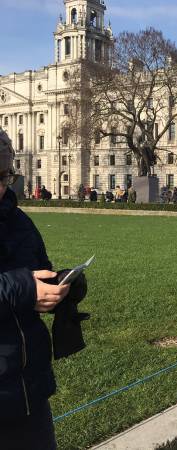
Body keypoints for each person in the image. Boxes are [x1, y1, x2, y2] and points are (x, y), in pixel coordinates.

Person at [0, 129, 72, 450]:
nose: (1, 188)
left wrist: (60, 286)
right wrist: (25, 289)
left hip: (29, 390)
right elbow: (24, 287)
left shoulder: (20, 221)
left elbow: (40, 270)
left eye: (4, 176)